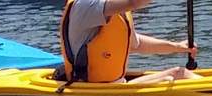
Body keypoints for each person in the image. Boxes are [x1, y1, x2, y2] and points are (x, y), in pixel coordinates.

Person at [57, 0, 196, 84]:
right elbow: (135, 2)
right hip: (94, 90)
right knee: (180, 74)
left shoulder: (113, 8)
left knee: (179, 74)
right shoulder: (86, 5)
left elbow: (136, 44)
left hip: (115, 86)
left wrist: (177, 47)